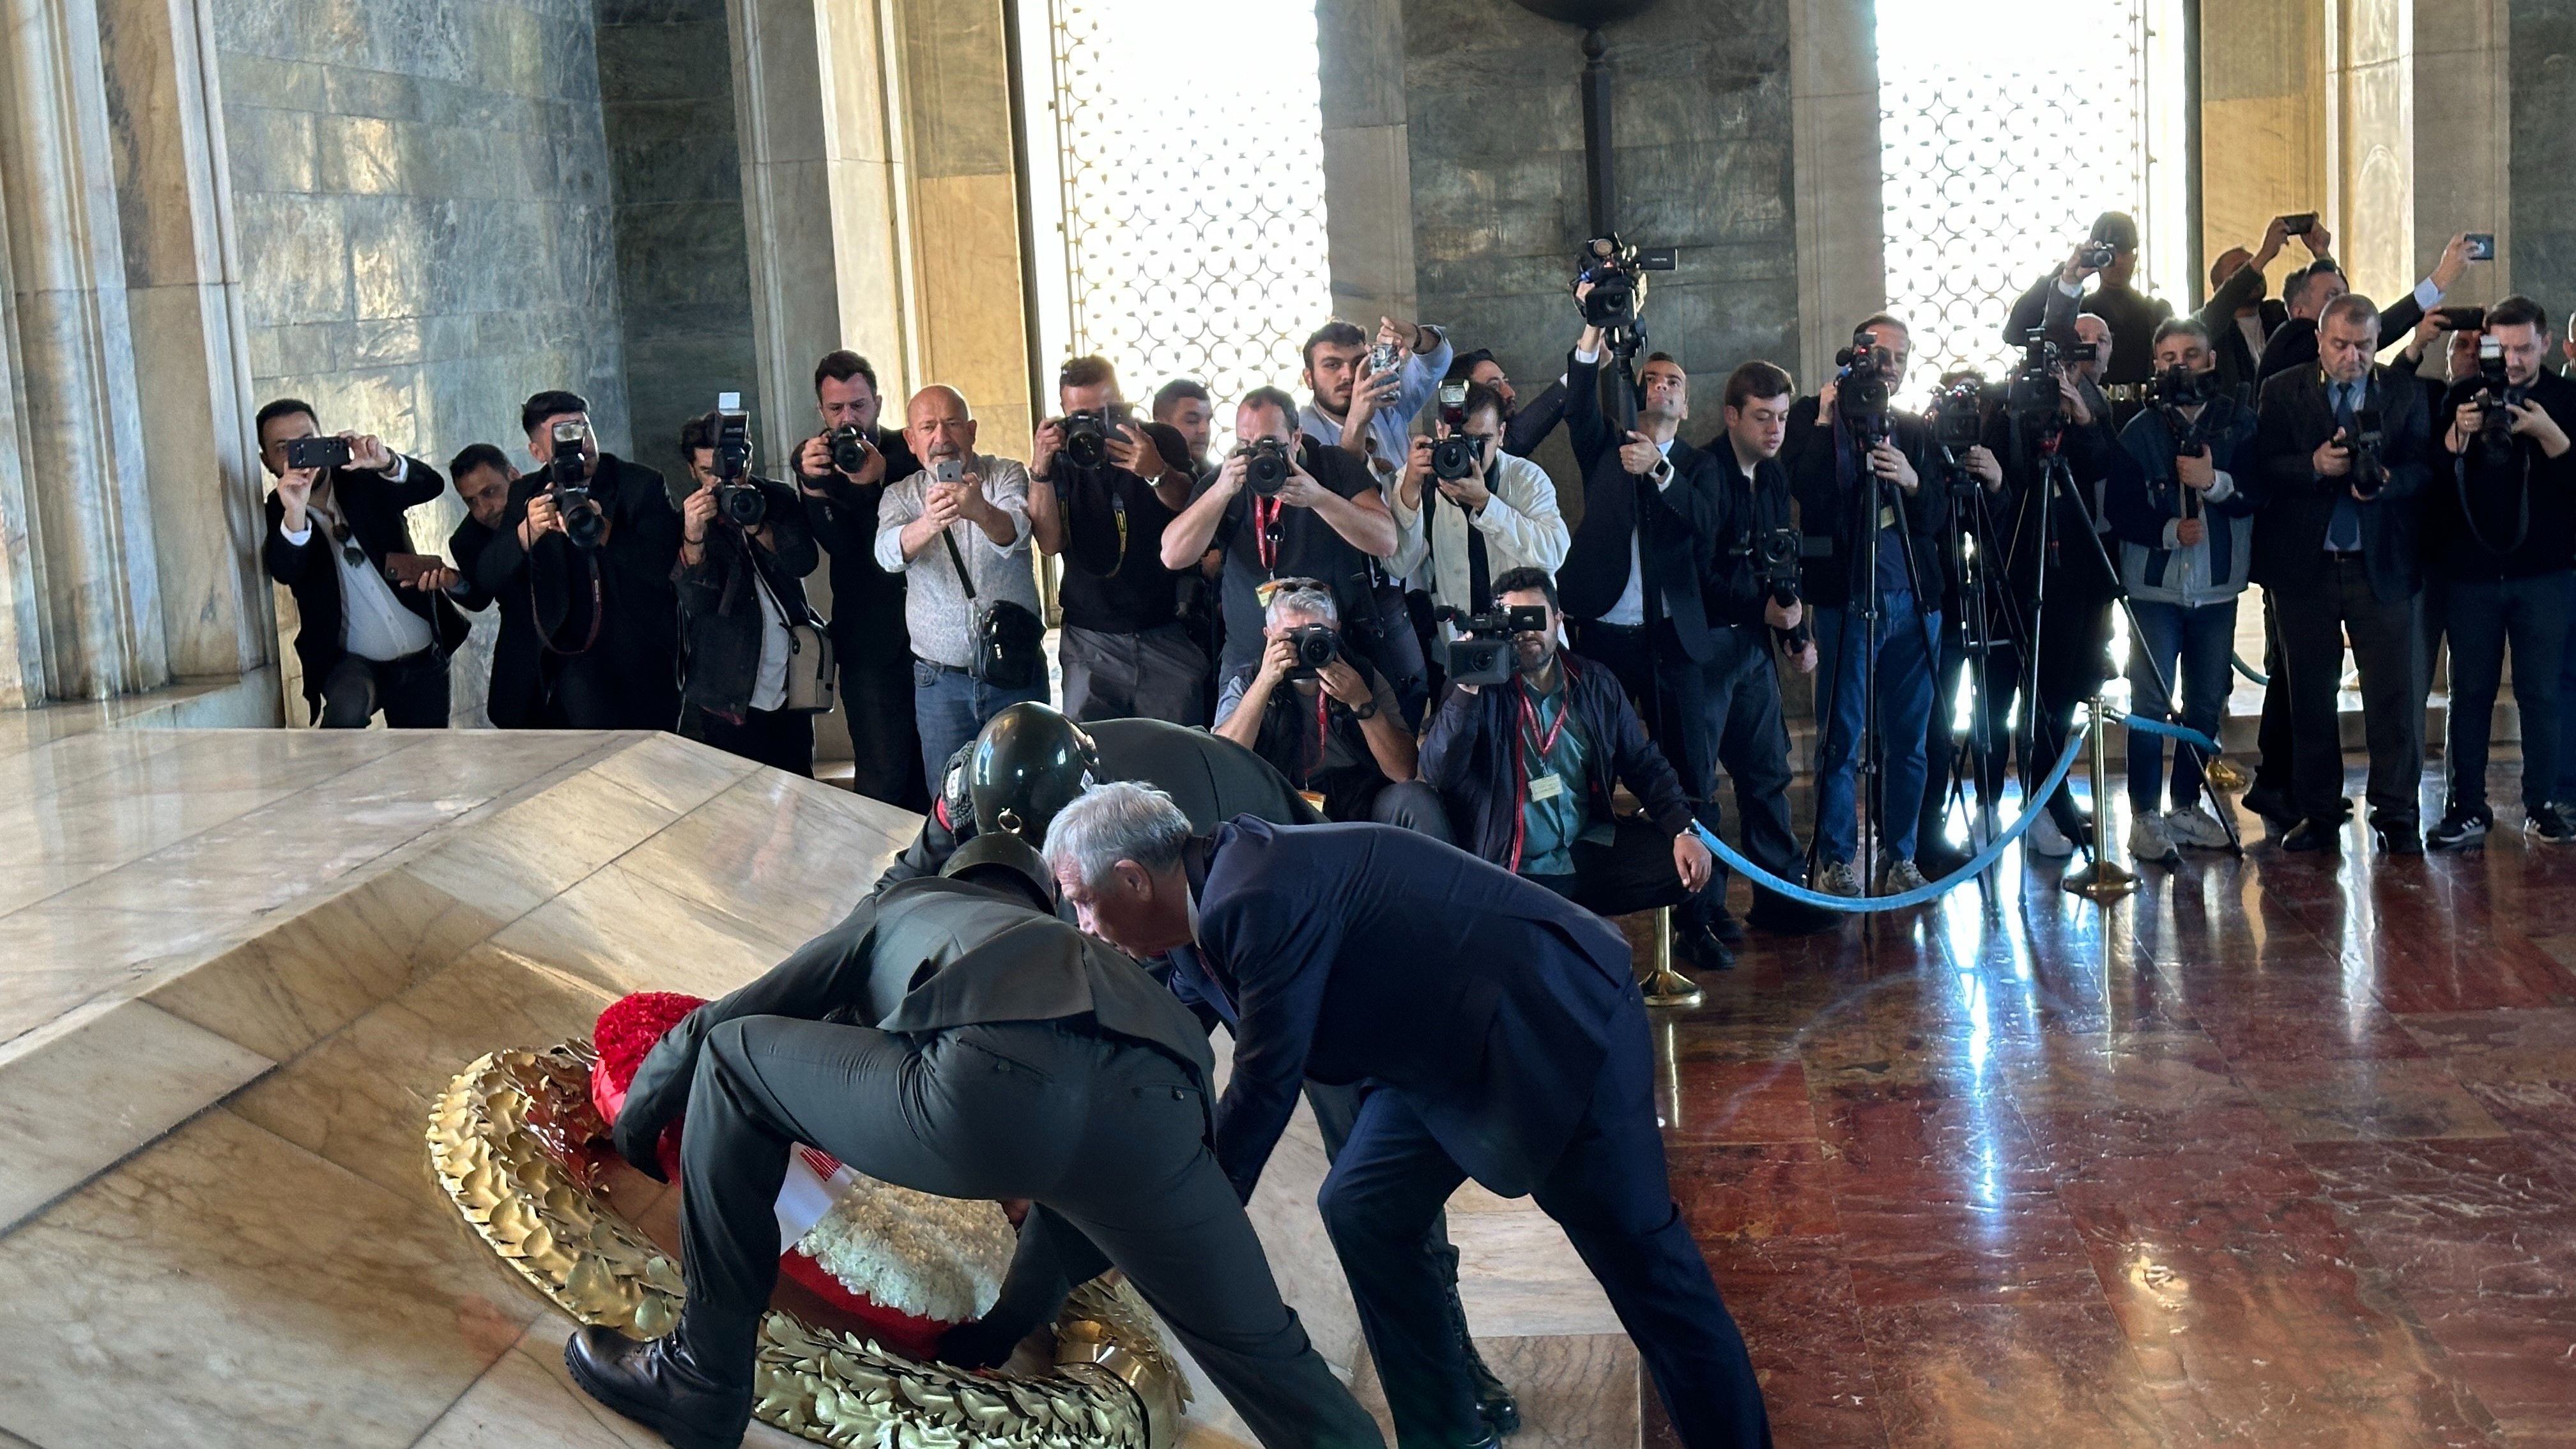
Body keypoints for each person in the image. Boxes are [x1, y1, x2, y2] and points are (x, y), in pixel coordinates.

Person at [584, 838, 1384, 1449]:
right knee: (1270, 1354)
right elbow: (1071, 1210)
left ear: (956, 877)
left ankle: (701, 1377)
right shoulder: (1094, 960)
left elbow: (728, 1023)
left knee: (734, 1063)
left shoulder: (909, 905)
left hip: (984, 1080)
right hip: (1166, 1106)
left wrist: (638, 1121)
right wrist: (990, 1339)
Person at [1044, 783, 1772, 1449]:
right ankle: (1448, 1437)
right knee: (1364, 1208)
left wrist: (1190, 1228)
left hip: (1553, 1021)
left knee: (1649, 1273)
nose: (1085, 926)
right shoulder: (1199, 915)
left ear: (1134, 879)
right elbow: (1163, 1042)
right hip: (1445, 1050)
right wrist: (1064, 1143)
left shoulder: (1249, 895)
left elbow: (1264, 1084)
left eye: (1082, 902)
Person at [872, 702, 1522, 1435]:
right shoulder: (975, 783)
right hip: (1183, 918)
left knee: (1371, 1178)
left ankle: (1454, 1364)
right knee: (1117, 1118)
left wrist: (1188, 1218)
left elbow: (1222, 1102)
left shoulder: (1162, 847)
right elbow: (897, 894)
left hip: (1308, 934)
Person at [1554, 312, 1736, 959]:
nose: (1661, 386)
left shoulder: (1700, 465)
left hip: (1672, 641)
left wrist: (1659, 470)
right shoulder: (1603, 446)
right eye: (1652, 379)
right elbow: (1578, 404)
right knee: (1590, 773)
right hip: (1603, 638)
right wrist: (1591, 336)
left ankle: (1700, 918)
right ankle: (1584, 915)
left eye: (1673, 382)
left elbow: (1707, 522)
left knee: (1693, 778)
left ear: (1686, 404)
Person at [2250, 291, 2437, 853]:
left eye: (2364, 345)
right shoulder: (2282, 390)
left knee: (2393, 697)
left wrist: (2387, 482)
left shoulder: (2404, 391)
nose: (2353, 356)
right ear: (2319, 342)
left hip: (2381, 566)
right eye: (2341, 345)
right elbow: (2262, 467)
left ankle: (2397, 812)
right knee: (2310, 697)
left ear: (2378, 343)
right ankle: (2320, 812)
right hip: (2305, 568)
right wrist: (2313, 465)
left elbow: (2425, 468)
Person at [1420, 567, 1717, 917]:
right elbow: (1439, 773)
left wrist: (1682, 829)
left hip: (1583, 847)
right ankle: (1558, 921)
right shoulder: (1479, 687)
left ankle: (1560, 918)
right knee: (1558, 929)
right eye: (1514, 620)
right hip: (1515, 861)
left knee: (1681, 866)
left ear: (1558, 619)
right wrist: (1466, 689)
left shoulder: (1594, 682)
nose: (1526, 631)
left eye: (1535, 617)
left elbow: (1643, 763)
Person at [1788, 316, 1949, 895]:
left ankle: (1900, 854)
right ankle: (1837, 858)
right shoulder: (1813, 417)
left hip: (1915, 600)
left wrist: (1911, 479)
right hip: (1848, 599)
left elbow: (1938, 516)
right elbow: (1806, 492)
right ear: (1855, 355)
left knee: (1909, 740)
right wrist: (1827, 418)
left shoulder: (1913, 428)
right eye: (1883, 355)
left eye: (1902, 358)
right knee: (1842, 737)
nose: (1892, 367)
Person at [1985, 314, 2142, 859]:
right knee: (2035, 698)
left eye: (2098, 342)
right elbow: (2012, 480)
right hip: (2028, 568)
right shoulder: (2017, 403)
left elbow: (2104, 470)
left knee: (2068, 694)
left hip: (2084, 574)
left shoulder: (2097, 406)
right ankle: (2031, 806)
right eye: (2078, 345)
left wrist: (2083, 418)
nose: (2088, 354)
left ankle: (2055, 797)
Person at [2105, 319, 2261, 862]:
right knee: (2151, 702)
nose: (2181, 366)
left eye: (2191, 355)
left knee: (2204, 701)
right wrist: (2170, 531)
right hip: (2155, 592)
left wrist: (2213, 483)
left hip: (2217, 589)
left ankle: (2187, 804)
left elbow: (2257, 492)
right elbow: (2120, 510)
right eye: (2169, 357)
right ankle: (2145, 814)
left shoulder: (2239, 423)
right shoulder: (2139, 431)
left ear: (2211, 360)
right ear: (2156, 365)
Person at [2425, 295, 2576, 848]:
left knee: (2541, 692)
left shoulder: (2566, 399)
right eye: (2502, 348)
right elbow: (2432, 482)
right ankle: (2466, 805)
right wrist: (2455, 437)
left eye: (2523, 349)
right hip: (2472, 574)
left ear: (2545, 343)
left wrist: (2548, 434)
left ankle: (2542, 803)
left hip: (2545, 572)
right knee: (2470, 693)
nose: (2511, 361)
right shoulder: (2463, 396)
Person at [1159, 388, 1403, 691]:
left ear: (1296, 438)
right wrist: (1221, 492)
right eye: (1246, 445)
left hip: (1333, 655)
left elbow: (1386, 541)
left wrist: (1319, 498)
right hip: (1250, 661)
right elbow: (1172, 556)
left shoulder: (1331, 466)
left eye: (1269, 444)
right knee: (1236, 726)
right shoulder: (1227, 480)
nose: (1259, 456)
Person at [474, 390, 684, 730]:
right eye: (564, 438)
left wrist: (605, 531)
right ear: (537, 452)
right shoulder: (526, 494)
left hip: (635, 657)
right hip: (559, 660)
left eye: (584, 431)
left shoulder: (641, 484)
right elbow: (487, 576)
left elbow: (666, 567)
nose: (581, 446)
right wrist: (526, 533)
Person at [256, 399, 468, 728]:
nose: (301, 455)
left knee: (426, 754)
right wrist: (295, 511)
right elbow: (286, 570)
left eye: (308, 441)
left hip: (425, 656)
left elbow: (431, 486)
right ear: (267, 461)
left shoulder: (362, 478)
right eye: (285, 448)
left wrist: (386, 462)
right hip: (351, 666)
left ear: (324, 438)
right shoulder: (274, 512)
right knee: (343, 719)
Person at [873, 385, 1045, 790]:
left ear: (971, 431)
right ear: (911, 440)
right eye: (928, 428)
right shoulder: (900, 495)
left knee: (1026, 789)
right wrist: (928, 524)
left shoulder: (1005, 474)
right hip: (940, 682)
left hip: (1014, 669)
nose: (941, 438)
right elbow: (887, 554)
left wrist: (979, 510)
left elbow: (1017, 533)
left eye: (952, 424)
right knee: (949, 797)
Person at [1026, 356, 1206, 724]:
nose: (1092, 426)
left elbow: (1191, 507)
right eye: (1080, 416)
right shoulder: (1060, 455)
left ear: (1122, 400)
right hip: (1089, 635)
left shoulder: (1158, 440)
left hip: (1164, 627)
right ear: (1063, 412)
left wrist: (1157, 471)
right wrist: (1041, 468)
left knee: (1176, 748)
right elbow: (1048, 543)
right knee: (1096, 751)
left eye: (1102, 414)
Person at [1211, 580, 1452, 841]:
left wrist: (1362, 703)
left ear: (1336, 631)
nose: (1305, 648)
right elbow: (1223, 764)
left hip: (1358, 797)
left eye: (1316, 636)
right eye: (1292, 638)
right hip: (1280, 802)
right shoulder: (1249, 681)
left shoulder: (1362, 675)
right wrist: (1264, 684)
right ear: (1269, 635)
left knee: (1416, 800)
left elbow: (1404, 772)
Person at [795, 350, 930, 809]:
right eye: (836, 408)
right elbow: (838, 546)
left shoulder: (906, 450)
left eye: (858, 405)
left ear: (878, 403)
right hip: (868, 643)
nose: (848, 418)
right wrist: (812, 488)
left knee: (937, 769)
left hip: (931, 636)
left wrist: (881, 476)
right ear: (822, 411)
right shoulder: (817, 463)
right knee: (882, 773)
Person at [673, 411, 820, 776]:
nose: (721, 480)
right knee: (737, 799)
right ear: (692, 471)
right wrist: (693, 536)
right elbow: (695, 604)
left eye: (731, 467)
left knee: (800, 791)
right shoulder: (687, 519)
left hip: (790, 681)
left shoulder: (777, 498)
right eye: (708, 471)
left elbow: (803, 562)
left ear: (749, 459)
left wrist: (757, 524)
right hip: (726, 686)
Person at [1389, 380, 1569, 622]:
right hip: (1459, 634)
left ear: (1501, 434)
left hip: (1527, 632)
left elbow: (1553, 555)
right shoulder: (1419, 478)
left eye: (1483, 440)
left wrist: (1487, 505)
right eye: (1462, 440)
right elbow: (1399, 566)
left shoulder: (1526, 478)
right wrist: (1410, 489)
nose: (1472, 452)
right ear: (1440, 431)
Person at [2257, 231, 2477, 385]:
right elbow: (2381, 327)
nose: (2344, 303)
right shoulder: (2292, 339)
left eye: (2345, 294)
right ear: (2299, 312)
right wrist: (2439, 279)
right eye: (2332, 296)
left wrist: (2323, 254)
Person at [2004, 212, 2171, 388]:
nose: (2116, 261)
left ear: (2135, 257)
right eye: (2109, 253)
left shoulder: (2156, 312)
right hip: (2085, 401)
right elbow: (2015, 334)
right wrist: (2066, 273)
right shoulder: (2077, 311)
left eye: (2123, 251)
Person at [446, 443, 546, 728]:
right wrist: (455, 583)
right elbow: (480, 597)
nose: (484, 510)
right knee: (506, 713)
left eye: (490, 492)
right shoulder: (465, 539)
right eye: (471, 501)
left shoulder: (546, 499)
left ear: (514, 476)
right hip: (522, 628)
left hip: (580, 622)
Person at [1300, 316, 1453, 480]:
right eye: (1333, 365)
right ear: (1309, 378)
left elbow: (1435, 365)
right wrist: (1356, 421)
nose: (1349, 375)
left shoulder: (1386, 401)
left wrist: (1417, 337)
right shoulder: (1299, 434)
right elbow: (1337, 488)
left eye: (1359, 363)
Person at [2198, 216, 2310, 406]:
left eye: (2255, 266)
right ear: (2219, 288)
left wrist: (2321, 253)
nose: (2257, 274)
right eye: (2241, 270)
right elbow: (2223, 303)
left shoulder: (2279, 314)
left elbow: (2330, 312)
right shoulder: (2209, 328)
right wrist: (2265, 254)